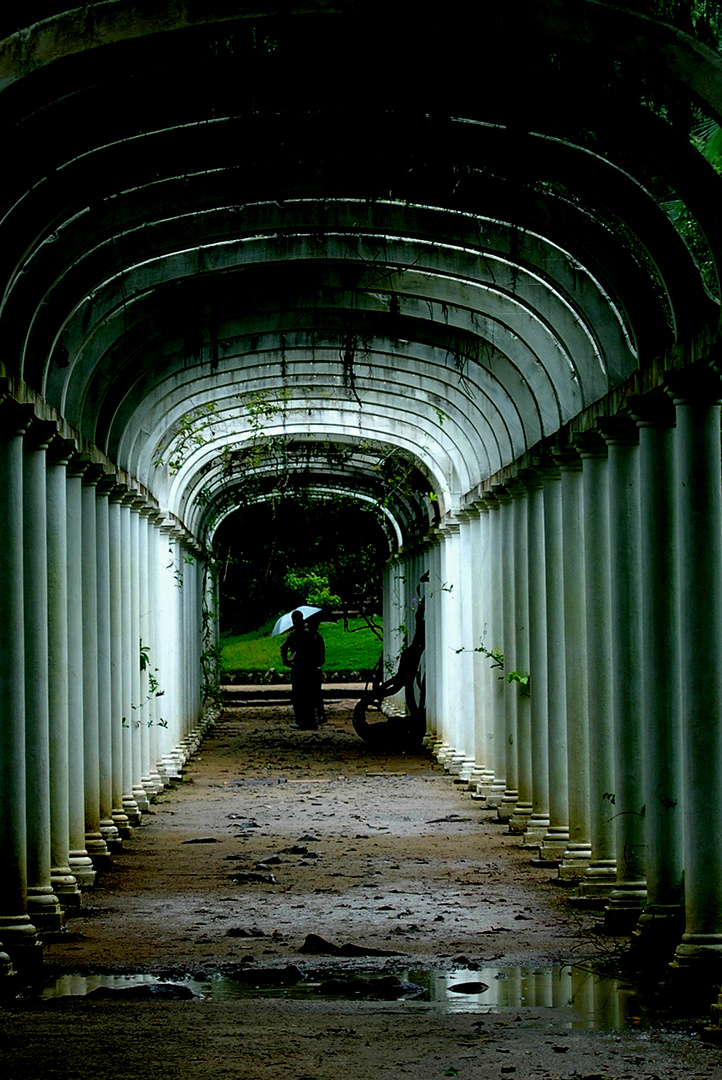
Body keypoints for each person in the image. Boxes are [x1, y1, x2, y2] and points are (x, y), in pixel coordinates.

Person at [280, 610, 318, 729]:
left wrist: (286, 660)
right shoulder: (307, 634)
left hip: (300, 666)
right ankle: (309, 720)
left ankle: (302, 720)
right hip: (306, 666)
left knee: (300, 694)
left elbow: (284, 648)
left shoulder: (294, 634)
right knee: (306, 694)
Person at [306, 612, 326, 724]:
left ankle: (320, 714)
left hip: (315, 668)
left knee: (317, 693)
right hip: (309, 668)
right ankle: (316, 714)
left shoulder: (318, 638)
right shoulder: (310, 638)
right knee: (312, 693)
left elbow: (322, 655)